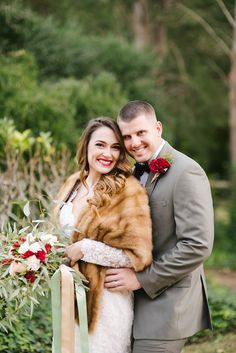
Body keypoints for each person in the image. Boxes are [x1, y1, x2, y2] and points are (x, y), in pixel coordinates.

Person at [104, 101, 214, 353]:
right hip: (128, 305)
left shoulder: (186, 172)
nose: (134, 143)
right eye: (127, 136)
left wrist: (140, 279)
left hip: (167, 306)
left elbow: (197, 246)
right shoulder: (132, 172)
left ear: (158, 128)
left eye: (141, 133)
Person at [53, 117, 153, 353]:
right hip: (69, 300)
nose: (107, 153)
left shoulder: (128, 191)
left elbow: (137, 256)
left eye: (115, 147)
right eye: (100, 145)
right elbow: (58, 237)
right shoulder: (72, 184)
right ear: (86, 144)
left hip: (106, 304)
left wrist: (84, 248)